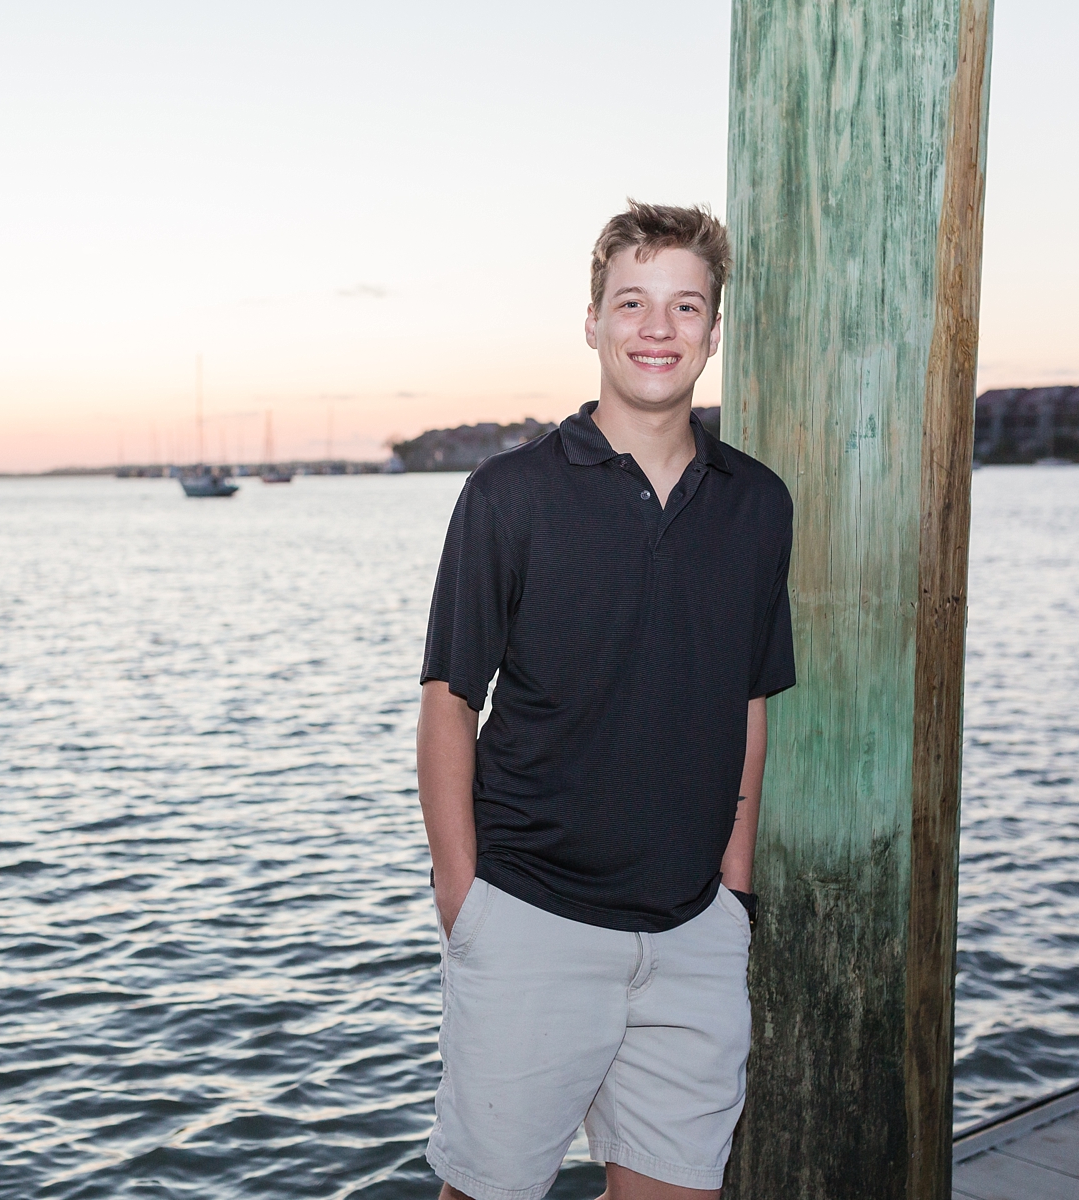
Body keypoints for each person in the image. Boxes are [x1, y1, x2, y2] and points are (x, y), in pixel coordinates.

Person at [416, 201, 794, 1200]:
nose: (657, 329)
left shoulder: (758, 504)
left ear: (715, 331)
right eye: (632, 303)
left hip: (693, 934)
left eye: (684, 306)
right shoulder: (509, 495)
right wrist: (467, 902)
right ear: (593, 323)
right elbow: (451, 700)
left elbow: (750, 695)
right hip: (532, 917)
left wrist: (734, 889)